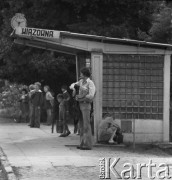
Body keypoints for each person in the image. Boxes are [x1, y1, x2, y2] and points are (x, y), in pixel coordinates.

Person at [70, 67, 96, 150]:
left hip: (86, 104)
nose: (80, 75)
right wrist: (75, 87)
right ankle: (82, 143)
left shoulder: (90, 83)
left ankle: (87, 144)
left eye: (81, 73)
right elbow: (72, 85)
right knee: (81, 124)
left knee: (86, 125)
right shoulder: (81, 82)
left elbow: (91, 95)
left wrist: (82, 95)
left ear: (84, 74)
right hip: (80, 104)